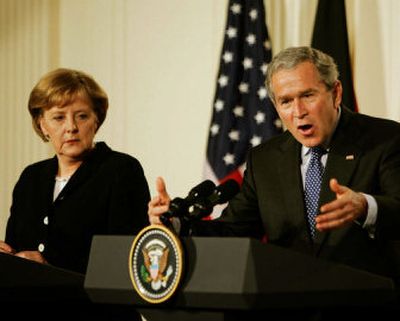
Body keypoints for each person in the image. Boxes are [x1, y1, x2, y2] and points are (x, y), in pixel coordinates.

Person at [148, 47, 400, 319]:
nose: (298, 111)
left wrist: (366, 206)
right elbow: (235, 231)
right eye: (286, 101)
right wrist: (174, 224)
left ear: (336, 92)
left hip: (368, 308)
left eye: (308, 95)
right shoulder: (265, 160)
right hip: (290, 310)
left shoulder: (385, 139)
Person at [0, 67, 150, 273]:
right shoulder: (31, 178)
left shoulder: (121, 170)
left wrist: (48, 265)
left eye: (81, 116)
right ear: (42, 124)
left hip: (88, 302)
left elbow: (127, 257)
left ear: (96, 119)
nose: (71, 127)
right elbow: (16, 250)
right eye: (59, 118)